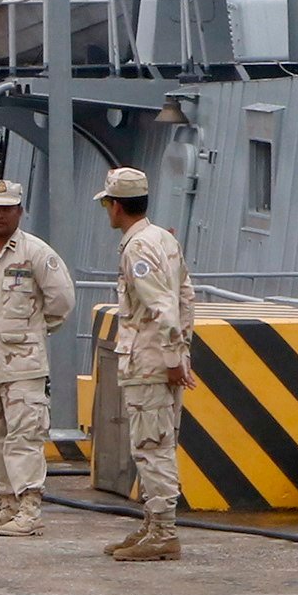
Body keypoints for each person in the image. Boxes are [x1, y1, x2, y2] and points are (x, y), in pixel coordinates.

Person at [0, 181, 74, 538]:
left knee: (24, 436)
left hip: (22, 364)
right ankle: (5, 503)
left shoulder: (36, 253)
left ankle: (29, 509)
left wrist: (29, 333)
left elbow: (61, 302)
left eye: (6, 208)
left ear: (20, 211)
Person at [101, 165, 195, 561]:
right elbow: (185, 296)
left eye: (107, 203)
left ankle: (163, 531)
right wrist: (182, 352)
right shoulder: (164, 240)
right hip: (162, 359)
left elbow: (162, 308)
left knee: (151, 446)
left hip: (149, 362)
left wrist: (173, 358)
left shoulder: (138, 248)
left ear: (116, 206)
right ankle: (152, 522)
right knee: (157, 443)